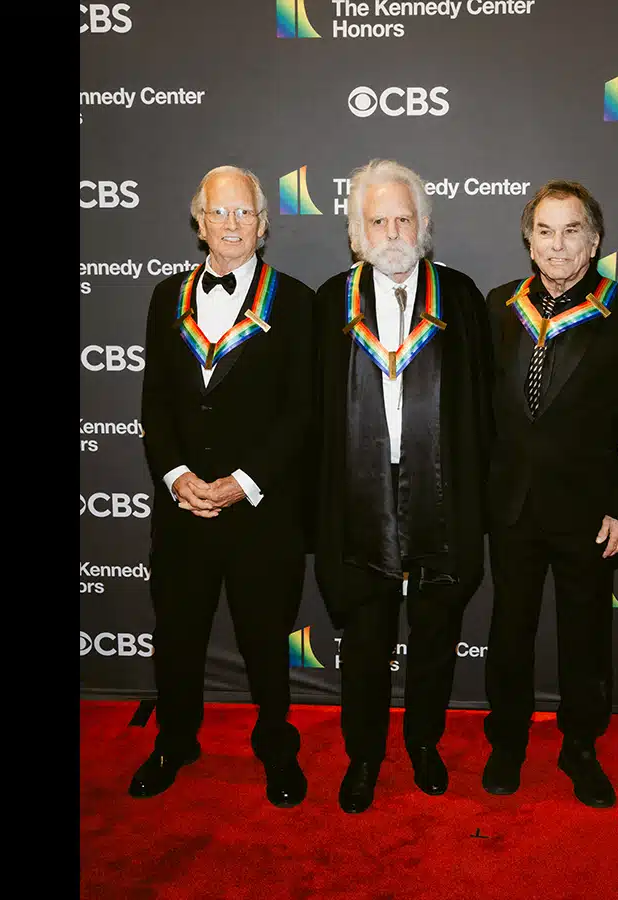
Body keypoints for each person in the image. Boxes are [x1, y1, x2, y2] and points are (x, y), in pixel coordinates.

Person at [309, 159, 495, 814]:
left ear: (424, 224)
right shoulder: (330, 302)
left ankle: (423, 743)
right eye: (378, 220)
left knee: (437, 631)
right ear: (356, 232)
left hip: (443, 493)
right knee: (365, 639)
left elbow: (484, 410)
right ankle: (364, 755)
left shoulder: (461, 297)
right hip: (359, 495)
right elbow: (313, 417)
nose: (392, 232)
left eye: (404, 218)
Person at [131, 165, 316, 808]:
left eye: (244, 213)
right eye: (219, 211)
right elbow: (156, 402)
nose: (231, 224)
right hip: (183, 509)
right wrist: (177, 476)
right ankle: (174, 741)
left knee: (266, 640)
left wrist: (243, 482)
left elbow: (302, 412)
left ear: (262, 225)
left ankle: (276, 746)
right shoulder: (166, 297)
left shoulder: (296, 301)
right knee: (177, 636)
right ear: (199, 221)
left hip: (262, 512)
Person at [480, 180, 618, 808]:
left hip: (590, 512)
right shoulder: (499, 305)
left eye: (571, 231)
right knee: (509, 630)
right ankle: (507, 741)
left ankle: (580, 747)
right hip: (511, 506)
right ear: (529, 240)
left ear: (594, 239)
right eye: (545, 231)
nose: (557, 245)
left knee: (585, 637)